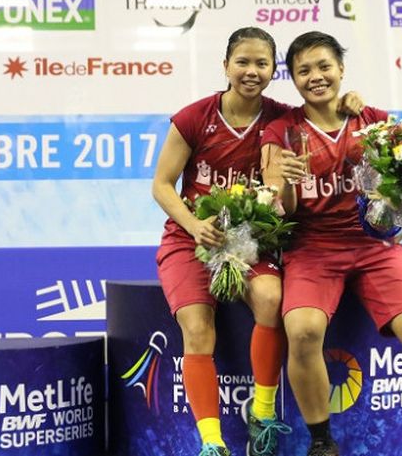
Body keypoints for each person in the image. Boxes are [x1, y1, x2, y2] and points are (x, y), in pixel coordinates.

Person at [152, 27, 364, 456]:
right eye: (242, 62)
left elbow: (325, 110)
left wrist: (348, 102)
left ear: (273, 71)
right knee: (197, 328)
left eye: (261, 64)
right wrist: (195, 226)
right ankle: (212, 444)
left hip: (252, 239)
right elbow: (162, 185)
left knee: (270, 298)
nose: (251, 71)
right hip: (192, 239)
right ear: (226, 66)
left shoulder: (281, 119)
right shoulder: (194, 117)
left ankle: (263, 417)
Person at [260, 31, 402, 456]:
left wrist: (395, 203)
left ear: (340, 69)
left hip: (376, 248)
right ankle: (321, 442)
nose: (316, 77)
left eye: (323, 66)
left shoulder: (374, 119)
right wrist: (291, 184)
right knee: (302, 333)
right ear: (293, 80)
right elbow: (281, 207)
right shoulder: (281, 130)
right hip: (312, 249)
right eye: (304, 71)